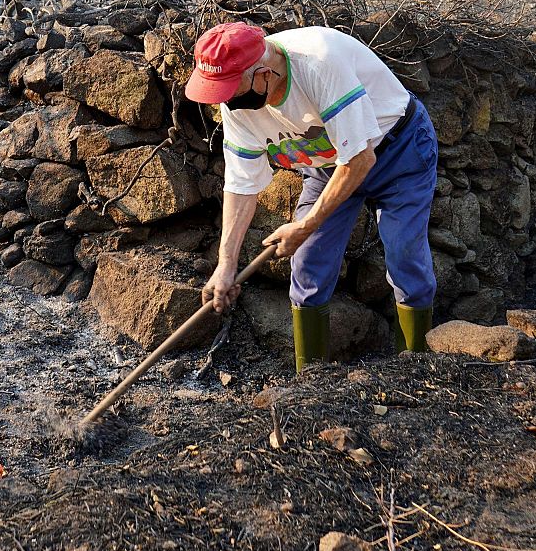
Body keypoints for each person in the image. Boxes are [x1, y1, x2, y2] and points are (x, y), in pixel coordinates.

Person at [184, 21, 439, 371]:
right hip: (328, 162)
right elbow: (241, 185)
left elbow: (361, 158)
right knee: (308, 262)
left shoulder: (320, 63)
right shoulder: (237, 105)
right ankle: (312, 382)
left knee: (404, 253)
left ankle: (416, 370)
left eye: (229, 87)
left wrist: (305, 225)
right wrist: (226, 265)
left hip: (398, 149)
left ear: (263, 74)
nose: (225, 100)